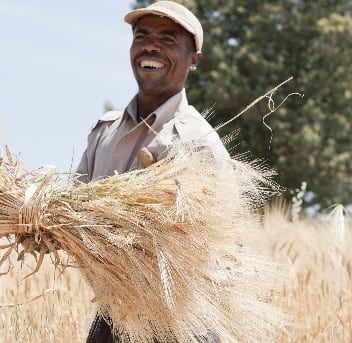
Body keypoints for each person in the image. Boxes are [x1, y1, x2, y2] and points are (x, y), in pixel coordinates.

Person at [77, 1, 228, 342]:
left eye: (167, 38)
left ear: (194, 60)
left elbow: (211, 249)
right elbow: (74, 210)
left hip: (181, 324)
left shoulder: (198, 143)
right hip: (113, 319)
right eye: (141, 35)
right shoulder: (104, 132)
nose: (150, 45)